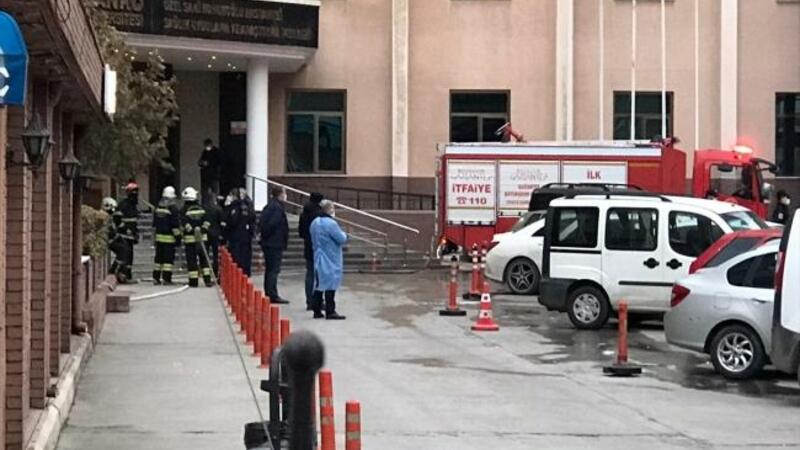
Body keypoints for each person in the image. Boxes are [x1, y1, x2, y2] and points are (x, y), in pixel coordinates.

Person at [310, 200, 347, 320]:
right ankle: (330, 311)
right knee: (331, 283)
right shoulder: (331, 224)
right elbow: (341, 238)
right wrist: (344, 234)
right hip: (331, 257)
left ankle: (316, 309)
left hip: (318, 255)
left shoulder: (315, 222)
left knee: (319, 283)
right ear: (329, 210)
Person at [259, 186, 289, 304]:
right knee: (273, 270)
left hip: (270, 242)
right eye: (284, 193)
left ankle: (269, 292)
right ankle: (272, 294)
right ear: (280, 194)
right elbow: (272, 224)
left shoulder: (270, 206)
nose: (286, 196)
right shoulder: (277, 208)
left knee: (270, 269)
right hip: (274, 243)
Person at [181, 187, 213, 287]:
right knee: (204, 260)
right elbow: (207, 222)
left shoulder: (183, 210)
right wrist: (202, 230)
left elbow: (183, 223)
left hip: (190, 240)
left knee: (192, 261)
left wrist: (191, 230)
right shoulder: (202, 208)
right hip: (202, 240)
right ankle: (207, 280)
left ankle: (193, 282)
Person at [299, 193, 324, 311]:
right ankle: (318, 301)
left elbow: (301, 232)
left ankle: (309, 301)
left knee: (310, 274)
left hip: (308, 246)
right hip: (318, 247)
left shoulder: (304, 213)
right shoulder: (319, 214)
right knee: (319, 275)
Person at [152, 186, 181, 285]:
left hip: (159, 238)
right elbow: (175, 225)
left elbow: (154, 224)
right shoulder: (173, 208)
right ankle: (166, 279)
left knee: (158, 259)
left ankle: (156, 278)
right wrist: (178, 238)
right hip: (169, 238)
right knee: (168, 261)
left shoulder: (158, 207)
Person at [224, 188, 255, 276]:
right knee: (245, 255)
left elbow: (232, 221)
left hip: (236, 236)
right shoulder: (246, 206)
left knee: (236, 256)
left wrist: (227, 208)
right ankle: (245, 272)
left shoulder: (235, 206)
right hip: (245, 235)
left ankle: (238, 273)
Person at [115, 181, 140, 283]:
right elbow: (117, 219)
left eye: (136, 192)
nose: (135, 194)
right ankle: (123, 276)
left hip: (130, 236)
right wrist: (125, 229)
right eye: (133, 192)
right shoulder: (123, 205)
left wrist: (135, 232)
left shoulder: (133, 205)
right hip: (123, 236)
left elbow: (134, 221)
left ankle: (127, 276)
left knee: (129, 257)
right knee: (125, 256)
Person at [103, 197, 130, 283]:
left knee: (125, 247)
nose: (113, 210)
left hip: (112, 239)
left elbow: (114, 230)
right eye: (112, 208)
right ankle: (113, 271)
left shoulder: (110, 217)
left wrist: (119, 237)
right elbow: (109, 232)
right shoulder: (104, 217)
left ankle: (122, 273)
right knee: (122, 250)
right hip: (108, 241)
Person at [204, 191, 224, 277]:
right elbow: (221, 222)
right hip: (216, 234)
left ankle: (206, 273)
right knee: (216, 255)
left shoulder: (204, 208)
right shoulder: (218, 209)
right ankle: (215, 272)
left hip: (206, 233)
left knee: (206, 254)